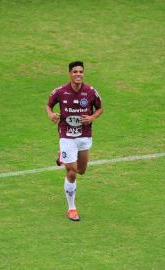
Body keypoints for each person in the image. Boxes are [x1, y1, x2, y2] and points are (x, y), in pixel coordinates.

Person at [45, 61, 103, 221]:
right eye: (75, 72)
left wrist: (91, 117)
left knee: (81, 170)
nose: (78, 74)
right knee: (71, 171)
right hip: (66, 135)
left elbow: (100, 108)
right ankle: (71, 208)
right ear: (70, 74)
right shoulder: (60, 92)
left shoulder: (90, 91)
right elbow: (48, 105)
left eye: (81, 72)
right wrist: (50, 114)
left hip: (84, 135)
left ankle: (62, 157)